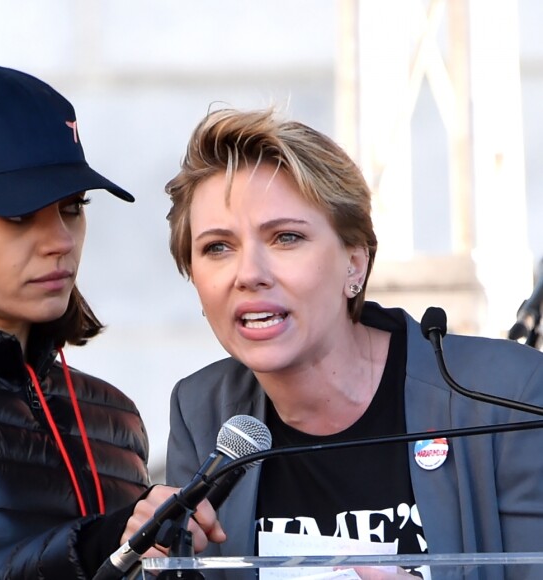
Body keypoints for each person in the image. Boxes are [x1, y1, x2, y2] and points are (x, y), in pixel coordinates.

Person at [163, 107, 543, 580]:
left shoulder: (506, 395)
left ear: (355, 265)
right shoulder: (203, 412)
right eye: (217, 247)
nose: (249, 274)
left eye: (285, 237)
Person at [0, 61, 222, 579]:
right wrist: (100, 543)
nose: (60, 240)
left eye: (73, 207)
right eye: (18, 214)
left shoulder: (115, 416)